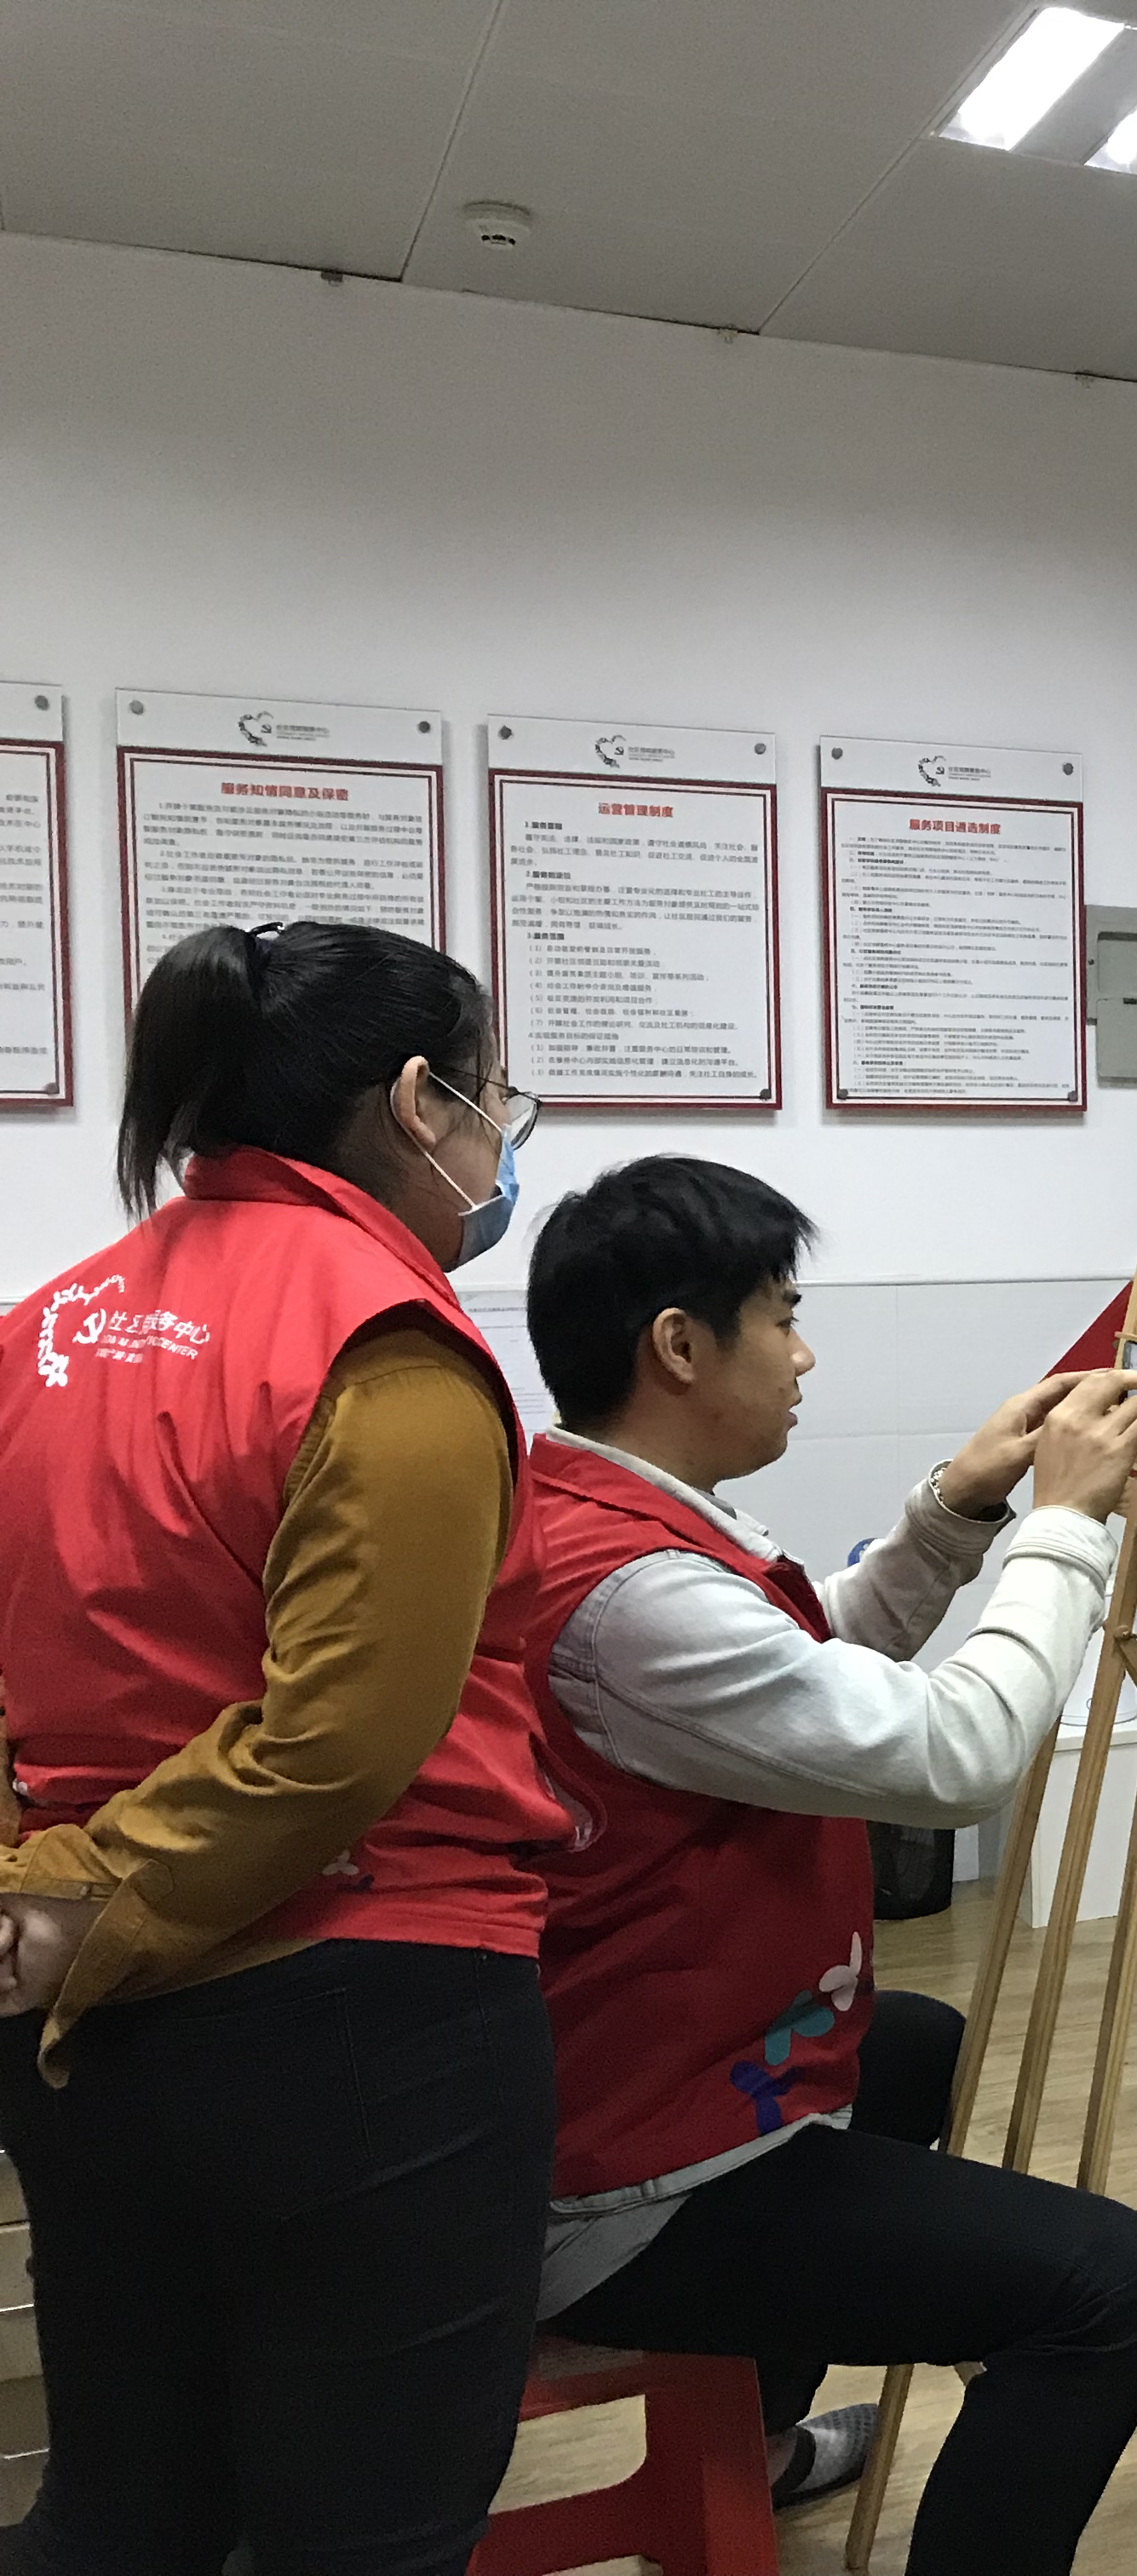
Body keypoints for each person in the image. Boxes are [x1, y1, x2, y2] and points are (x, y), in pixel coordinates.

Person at [516, 1155, 1137, 2572]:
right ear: (679, 1345)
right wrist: (1064, 1524)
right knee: (1108, 2285)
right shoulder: (629, 1592)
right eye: (783, 1315)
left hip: (621, 2072)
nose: (804, 1353)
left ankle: (749, 2443)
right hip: (621, 2178)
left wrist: (958, 1505)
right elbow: (957, 1751)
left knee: (910, 2048)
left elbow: (803, 1666)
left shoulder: (596, 1508)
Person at [0, 921, 561, 2573]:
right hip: (360, 2017)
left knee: (125, 2507)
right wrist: (80, 1900)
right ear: (420, 1100)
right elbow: (340, 1742)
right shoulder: (384, 1342)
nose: (502, 1137)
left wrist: (36, 1904)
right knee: (364, 2534)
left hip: (79, 2027)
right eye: (497, 1097)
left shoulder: (46, 1330)